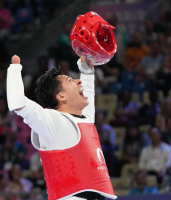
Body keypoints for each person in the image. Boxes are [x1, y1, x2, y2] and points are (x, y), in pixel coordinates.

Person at [7, 55, 116, 200]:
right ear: (61, 97)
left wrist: (87, 71)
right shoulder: (53, 122)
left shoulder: (85, 120)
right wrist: (14, 69)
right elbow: (17, 103)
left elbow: (88, 93)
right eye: (71, 80)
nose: (78, 81)